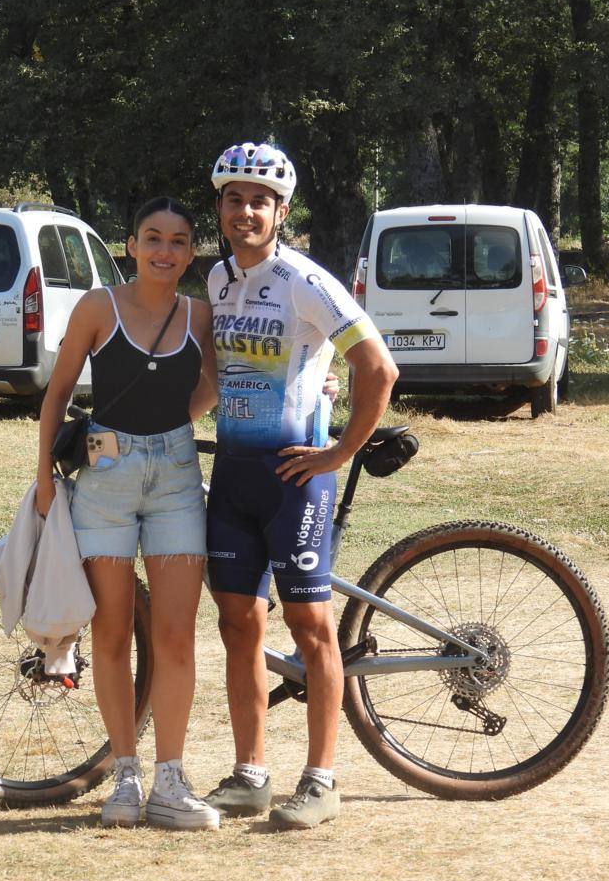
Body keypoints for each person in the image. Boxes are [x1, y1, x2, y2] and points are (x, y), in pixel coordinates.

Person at [201, 142, 399, 829]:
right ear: (220, 207)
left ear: (280, 212)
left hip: (294, 479)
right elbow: (207, 382)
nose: (245, 210)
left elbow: (378, 367)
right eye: (234, 198)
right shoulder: (216, 282)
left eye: (260, 200)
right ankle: (251, 773)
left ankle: (320, 778)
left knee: (310, 626)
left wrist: (339, 450)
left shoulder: (303, 280)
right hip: (231, 475)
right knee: (236, 625)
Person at [36, 197, 220, 831]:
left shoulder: (200, 315)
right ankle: (125, 775)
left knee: (174, 637)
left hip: (174, 480)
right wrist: (41, 478)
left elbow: (214, 384)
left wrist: (171, 432)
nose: (164, 251)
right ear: (132, 245)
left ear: (190, 253)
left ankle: (171, 779)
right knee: (112, 634)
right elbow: (58, 392)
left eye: (178, 241)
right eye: (152, 238)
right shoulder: (98, 306)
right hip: (104, 482)